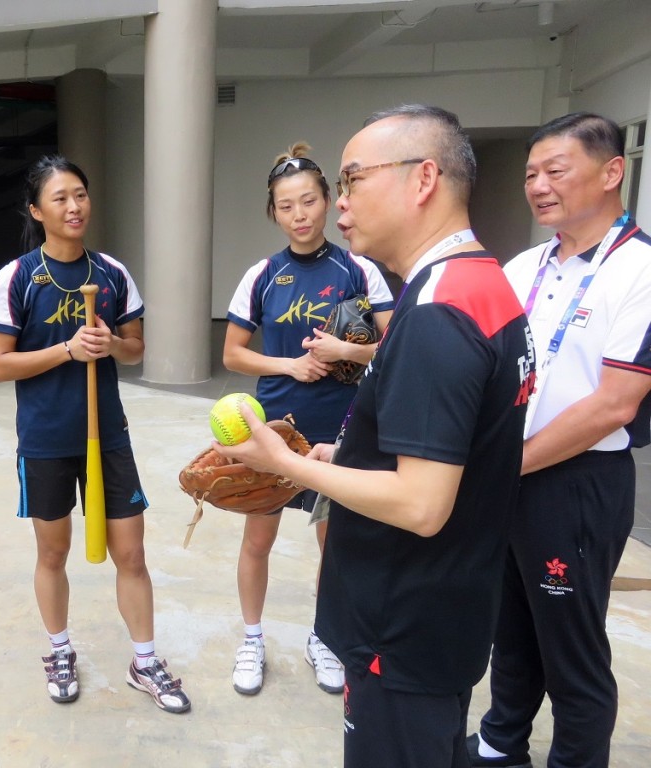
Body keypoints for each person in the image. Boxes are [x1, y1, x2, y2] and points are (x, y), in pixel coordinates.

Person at [216, 105, 534, 768]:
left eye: (352, 181)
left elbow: (421, 504)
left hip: (404, 626)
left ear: (423, 180)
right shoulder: (480, 285)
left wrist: (288, 464)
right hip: (444, 612)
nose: (337, 207)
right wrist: (348, 454)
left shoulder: (437, 313)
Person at [469, 113, 651, 768]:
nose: (539, 186)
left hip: (576, 486)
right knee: (509, 629)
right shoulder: (525, 265)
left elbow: (614, 404)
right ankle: (498, 745)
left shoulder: (639, 270)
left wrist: (504, 464)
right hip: (509, 475)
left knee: (570, 650)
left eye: (556, 170)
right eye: (530, 174)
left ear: (611, 172)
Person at [0, 155, 190, 714]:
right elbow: (0, 365)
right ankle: (59, 649)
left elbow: (135, 346)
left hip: (109, 437)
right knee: (54, 552)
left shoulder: (112, 273)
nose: (74, 207)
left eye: (81, 195)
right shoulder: (18, 277)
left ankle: (144, 661)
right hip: (47, 439)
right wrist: (66, 351)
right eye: (59, 198)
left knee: (132, 552)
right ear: (36, 210)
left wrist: (109, 345)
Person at [222, 141, 393, 697]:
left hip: (343, 429)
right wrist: (291, 365)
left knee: (334, 545)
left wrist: (347, 353)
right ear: (274, 212)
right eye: (286, 205)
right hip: (275, 430)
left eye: (309, 201)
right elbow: (233, 354)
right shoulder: (262, 275)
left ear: (330, 201)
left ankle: (324, 636)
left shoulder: (360, 269)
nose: (299, 215)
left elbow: (396, 346)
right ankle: (252, 639)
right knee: (257, 541)